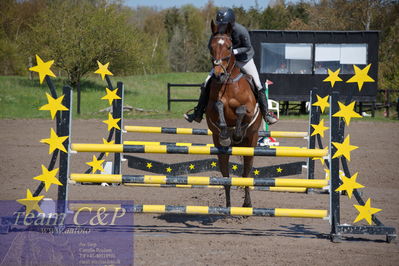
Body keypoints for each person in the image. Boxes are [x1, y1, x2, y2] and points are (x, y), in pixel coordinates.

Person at [184, 8, 278, 125]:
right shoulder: (217, 32)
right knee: (206, 83)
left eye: (223, 24)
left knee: (258, 84)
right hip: (225, 62)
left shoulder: (241, 30)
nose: (221, 27)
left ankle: (266, 114)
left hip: (244, 59)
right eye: (219, 24)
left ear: (231, 23)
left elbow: (247, 47)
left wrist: (234, 52)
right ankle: (198, 112)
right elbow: (211, 45)